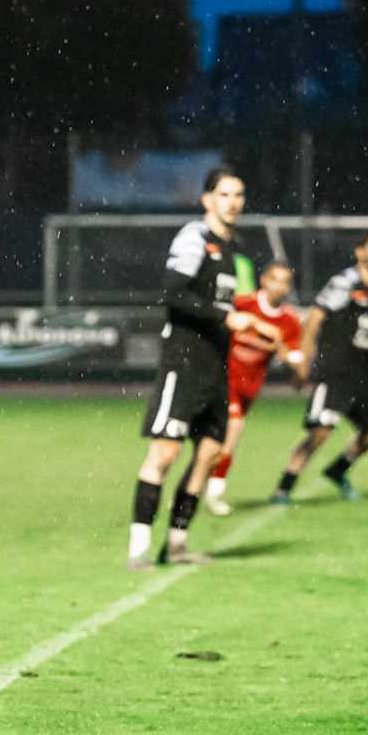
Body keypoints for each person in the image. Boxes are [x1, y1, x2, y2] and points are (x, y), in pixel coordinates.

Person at [128, 166, 257, 568]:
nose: (232, 202)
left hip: (215, 365)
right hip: (183, 362)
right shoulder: (193, 238)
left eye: (238, 195)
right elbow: (173, 294)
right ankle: (138, 550)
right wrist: (226, 317)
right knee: (165, 453)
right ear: (207, 200)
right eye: (224, 195)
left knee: (209, 453)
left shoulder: (232, 247)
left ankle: (178, 545)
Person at [269, 233, 368, 504]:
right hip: (335, 372)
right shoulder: (345, 283)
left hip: (361, 375)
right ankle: (284, 487)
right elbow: (313, 319)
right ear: (360, 252)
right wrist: (304, 362)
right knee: (319, 432)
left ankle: (337, 471)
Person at [205, 260, 305, 516]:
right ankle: (214, 493)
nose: (279, 287)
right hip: (222, 379)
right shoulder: (242, 303)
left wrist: (285, 354)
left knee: (215, 444)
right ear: (264, 280)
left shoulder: (289, 322)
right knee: (232, 430)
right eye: (275, 280)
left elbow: (292, 365)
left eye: (285, 282)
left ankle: (191, 491)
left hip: (250, 388)